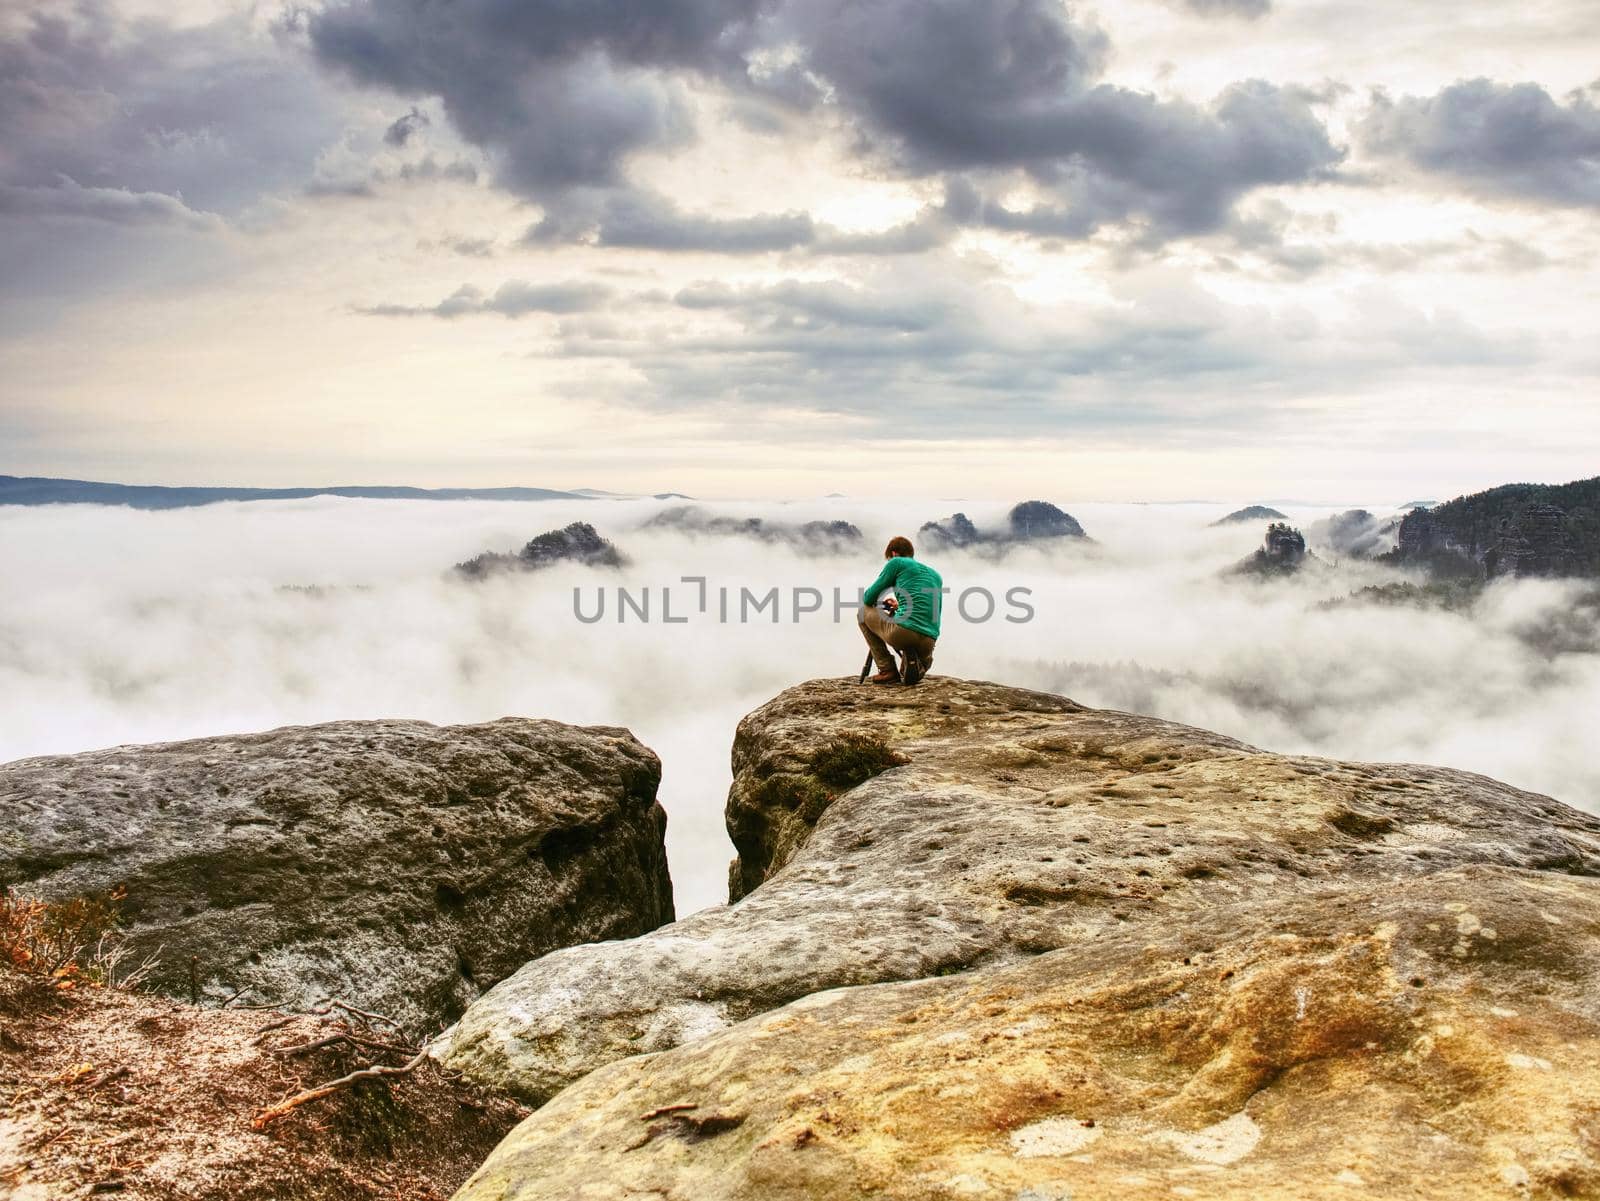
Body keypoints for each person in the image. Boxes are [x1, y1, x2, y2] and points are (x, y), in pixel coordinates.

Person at [859, 535, 942, 685]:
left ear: (894, 553)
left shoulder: (896, 563)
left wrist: (879, 604)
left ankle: (887, 669)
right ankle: (918, 662)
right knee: (911, 626)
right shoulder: (935, 575)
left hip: (904, 632)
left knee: (862, 613)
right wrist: (898, 606)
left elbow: (868, 598)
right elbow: (923, 607)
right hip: (930, 640)